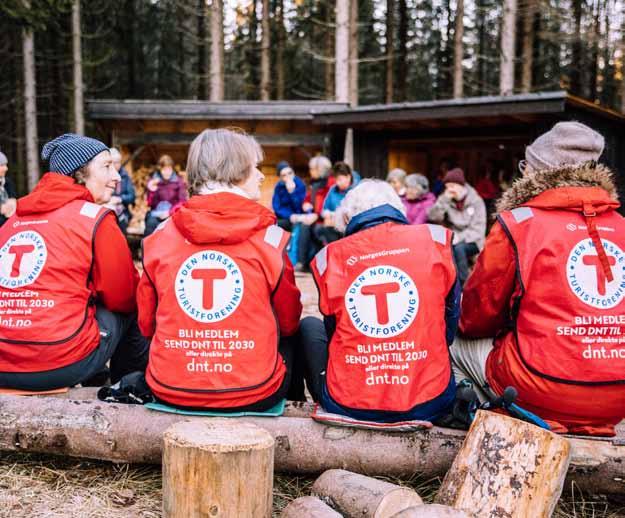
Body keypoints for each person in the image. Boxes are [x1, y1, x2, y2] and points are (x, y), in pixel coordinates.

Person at [453, 122, 625, 436]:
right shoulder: (621, 225)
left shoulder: (519, 223)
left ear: (536, 172)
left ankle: (479, 421)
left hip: (540, 388)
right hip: (617, 397)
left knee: (452, 341)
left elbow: (476, 318)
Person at [138, 128, 304, 410]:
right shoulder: (270, 239)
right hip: (254, 391)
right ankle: (293, 407)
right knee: (297, 333)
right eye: (255, 168)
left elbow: (146, 324)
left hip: (171, 388)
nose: (262, 176)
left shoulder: (159, 237)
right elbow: (288, 321)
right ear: (236, 171)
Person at [299, 180, 460, 423]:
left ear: (346, 219)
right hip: (430, 401)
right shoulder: (434, 241)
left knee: (309, 326)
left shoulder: (330, 257)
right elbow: (449, 325)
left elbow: (334, 336)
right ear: (399, 209)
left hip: (350, 405)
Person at [0, 134, 148, 390]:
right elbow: (122, 296)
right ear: (79, 173)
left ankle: (97, 376)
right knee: (132, 301)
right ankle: (127, 390)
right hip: (56, 365)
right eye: (106, 166)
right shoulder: (95, 218)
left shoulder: (13, 220)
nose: (115, 176)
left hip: (3, 363)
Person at [427, 168, 486, 285]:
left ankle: (464, 283)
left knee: (458, 248)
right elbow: (433, 217)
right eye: (447, 187)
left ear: (461, 186)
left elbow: (478, 230)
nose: (450, 190)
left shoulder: (476, 201)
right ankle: (443, 282)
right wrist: (443, 200)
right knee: (442, 247)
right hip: (453, 238)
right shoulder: (446, 199)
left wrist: (458, 237)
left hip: (473, 240)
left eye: (452, 186)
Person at [295, 155, 334, 271]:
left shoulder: (330, 184)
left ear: (319, 170)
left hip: (325, 219)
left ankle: (306, 263)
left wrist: (316, 215)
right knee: (303, 226)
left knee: (311, 228)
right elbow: (307, 198)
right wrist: (305, 204)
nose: (310, 171)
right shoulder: (314, 184)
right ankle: (302, 262)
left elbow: (328, 204)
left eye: (312, 169)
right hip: (314, 217)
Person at [314, 161, 360, 246]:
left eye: (340, 180)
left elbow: (356, 213)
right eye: (336, 180)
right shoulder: (333, 190)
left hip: (349, 226)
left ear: (348, 177)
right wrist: (329, 215)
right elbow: (324, 210)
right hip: (333, 225)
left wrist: (337, 218)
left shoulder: (356, 191)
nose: (337, 183)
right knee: (319, 229)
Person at [143, 154, 187, 237]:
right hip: (156, 213)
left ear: (172, 169)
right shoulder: (154, 181)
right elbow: (150, 204)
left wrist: (169, 212)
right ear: (160, 169)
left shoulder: (178, 181)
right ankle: (148, 248)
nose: (167, 172)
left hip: (172, 213)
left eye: (169, 169)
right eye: (164, 169)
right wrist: (152, 191)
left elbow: (182, 202)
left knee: (172, 230)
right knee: (150, 225)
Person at [107, 148, 136, 234]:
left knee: (121, 223)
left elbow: (132, 196)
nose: (117, 165)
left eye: (118, 162)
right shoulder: (105, 175)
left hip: (123, 210)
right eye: (114, 162)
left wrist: (120, 199)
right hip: (107, 207)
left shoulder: (125, 176)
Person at [272, 161, 306, 231]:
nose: (288, 177)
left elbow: (300, 207)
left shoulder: (300, 185)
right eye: (284, 175)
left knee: (298, 226)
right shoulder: (279, 187)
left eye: (290, 173)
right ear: (280, 178)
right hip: (285, 217)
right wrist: (289, 215)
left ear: (293, 173)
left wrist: (292, 192)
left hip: (299, 216)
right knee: (272, 225)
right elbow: (277, 207)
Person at [0, 152, 17, 227]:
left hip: (9, 226)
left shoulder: (7, 183)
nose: (6, 168)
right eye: (2, 165)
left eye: (6, 165)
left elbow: (13, 207)